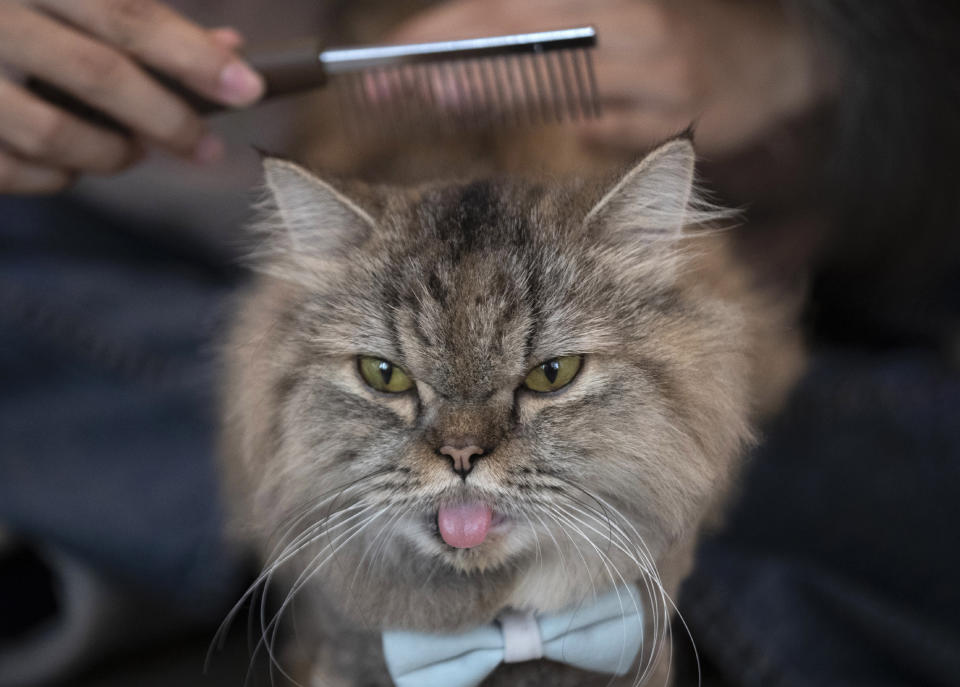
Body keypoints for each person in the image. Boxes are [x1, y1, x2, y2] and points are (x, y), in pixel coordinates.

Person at [1, 1, 958, 685]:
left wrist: (802, 57)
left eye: (542, 376)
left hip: (811, 321)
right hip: (164, 254)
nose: (462, 446)